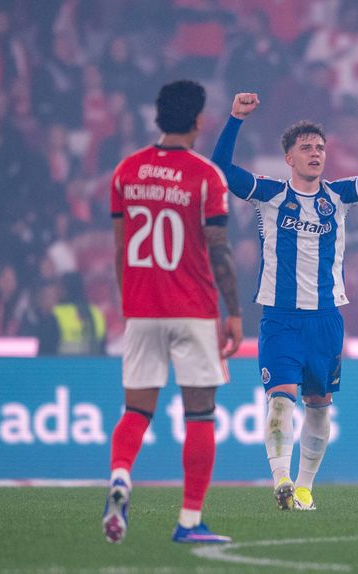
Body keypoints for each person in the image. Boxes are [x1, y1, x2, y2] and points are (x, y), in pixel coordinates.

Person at [211, 92, 358, 511]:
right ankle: (281, 480)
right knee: (280, 400)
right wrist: (235, 119)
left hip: (326, 320)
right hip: (280, 319)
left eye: (320, 148)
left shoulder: (340, 196)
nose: (315, 153)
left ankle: (304, 488)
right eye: (306, 148)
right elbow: (220, 170)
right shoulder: (269, 195)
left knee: (318, 406)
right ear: (289, 158)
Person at [103, 80, 242, 545]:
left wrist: (130, 305)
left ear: (158, 117)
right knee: (199, 414)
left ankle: (121, 475)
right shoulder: (206, 177)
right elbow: (219, 252)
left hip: (141, 309)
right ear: (199, 121)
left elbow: (121, 249)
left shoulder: (126, 172)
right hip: (193, 310)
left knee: (136, 410)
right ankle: (188, 522)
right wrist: (235, 313)